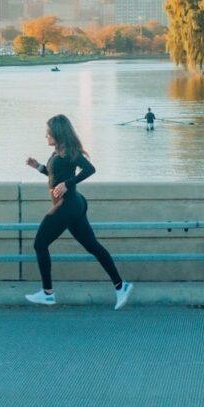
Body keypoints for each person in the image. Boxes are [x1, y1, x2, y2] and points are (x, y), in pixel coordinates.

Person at [25, 114, 133, 310]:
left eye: (48, 132)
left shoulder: (70, 152)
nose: (46, 136)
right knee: (93, 246)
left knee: (40, 244)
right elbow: (55, 175)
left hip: (68, 205)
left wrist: (68, 183)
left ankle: (48, 294)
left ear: (57, 132)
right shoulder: (59, 151)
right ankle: (121, 286)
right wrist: (39, 167)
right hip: (74, 204)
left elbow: (90, 169)